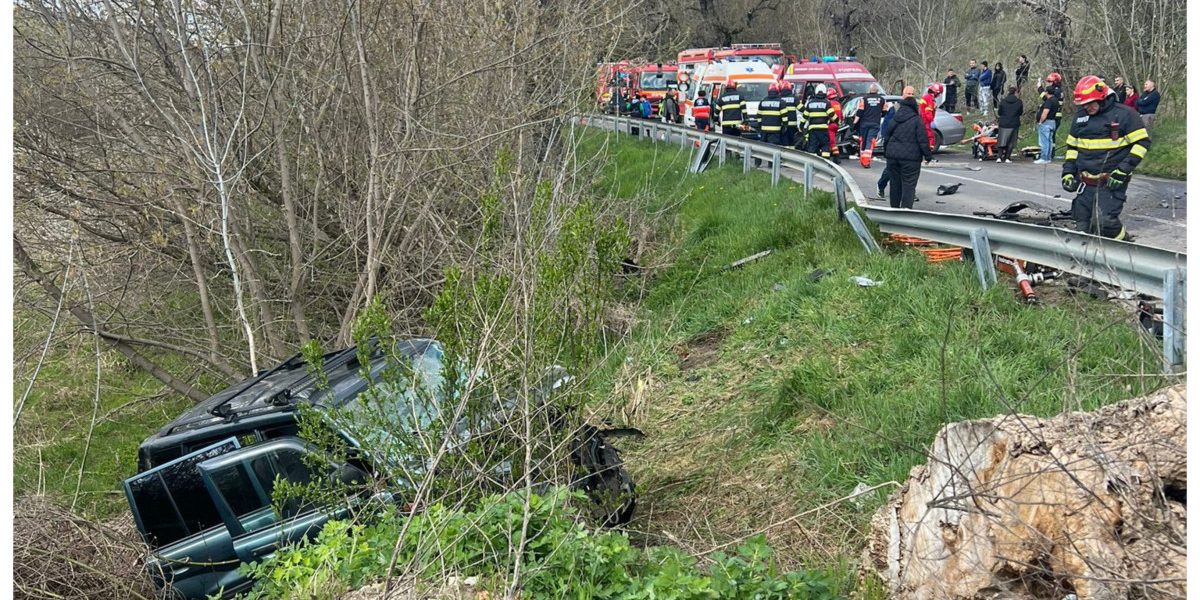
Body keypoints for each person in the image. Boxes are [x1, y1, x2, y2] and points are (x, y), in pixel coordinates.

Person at [1061, 75, 1151, 240]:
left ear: (1102, 96)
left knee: (1105, 222)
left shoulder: (1125, 114)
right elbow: (1072, 148)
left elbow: (1142, 143)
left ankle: (1124, 245)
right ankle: (1086, 260)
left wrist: (1123, 170)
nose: (1087, 107)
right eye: (1083, 104)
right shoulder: (1080, 117)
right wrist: (1068, 172)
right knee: (1081, 222)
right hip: (1085, 182)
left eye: (1089, 103)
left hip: (1111, 180)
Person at [883, 86, 933, 208]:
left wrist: (886, 152)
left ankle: (894, 209)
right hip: (911, 159)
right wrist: (928, 156)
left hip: (893, 157)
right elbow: (922, 140)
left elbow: (887, 136)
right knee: (909, 186)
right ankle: (905, 212)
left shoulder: (895, 117)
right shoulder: (917, 120)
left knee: (895, 184)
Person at [799, 83, 835, 158]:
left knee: (812, 146)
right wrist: (838, 121)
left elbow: (804, 116)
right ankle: (826, 163)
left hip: (813, 130)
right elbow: (832, 115)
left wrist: (801, 126)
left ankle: (812, 164)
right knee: (825, 146)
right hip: (823, 129)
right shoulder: (827, 103)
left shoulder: (810, 103)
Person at [855, 83, 886, 156]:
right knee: (870, 140)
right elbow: (885, 112)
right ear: (877, 90)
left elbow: (860, 112)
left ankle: (863, 157)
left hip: (864, 124)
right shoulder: (882, 99)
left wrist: (855, 122)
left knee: (864, 140)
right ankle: (866, 159)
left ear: (869, 90)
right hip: (875, 123)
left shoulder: (864, 99)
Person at [996, 86, 1024, 162]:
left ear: (1008, 92)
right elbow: (1020, 112)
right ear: (1015, 92)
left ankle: (999, 157)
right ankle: (1007, 157)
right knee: (1011, 141)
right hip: (1014, 123)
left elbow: (999, 112)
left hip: (1003, 123)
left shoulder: (1003, 101)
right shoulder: (1019, 102)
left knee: (1001, 140)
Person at [876, 97, 897, 197]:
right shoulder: (891, 116)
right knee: (890, 169)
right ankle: (881, 186)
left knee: (904, 171)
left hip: (898, 147)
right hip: (894, 147)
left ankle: (909, 192)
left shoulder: (892, 116)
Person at [1034, 89, 1060, 164]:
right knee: (1049, 141)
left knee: (1044, 141)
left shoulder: (1049, 101)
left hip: (1046, 122)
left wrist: (1040, 122)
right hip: (1053, 122)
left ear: (1047, 92)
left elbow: (1045, 112)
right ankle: (1048, 158)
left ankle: (1044, 158)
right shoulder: (1056, 100)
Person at [919, 83, 940, 153]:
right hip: (926, 120)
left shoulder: (926, 97)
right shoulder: (930, 99)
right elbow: (928, 111)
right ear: (936, 92)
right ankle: (929, 151)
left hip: (922, 118)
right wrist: (931, 120)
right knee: (930, 135)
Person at [827, 87, 844, 163]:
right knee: (833, 141)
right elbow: (841, 115)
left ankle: (836, 158)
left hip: (830, 124)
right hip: (837, 125)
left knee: (832, 142)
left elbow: (828, 114)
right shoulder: (838, 104)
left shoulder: (829, 103)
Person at [779, 82, 799, 146]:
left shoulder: (779, 98)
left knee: (784, 142)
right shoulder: (794, 98)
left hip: (782, 125)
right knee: (792, 142)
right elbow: (801, 109)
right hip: (792, 125)